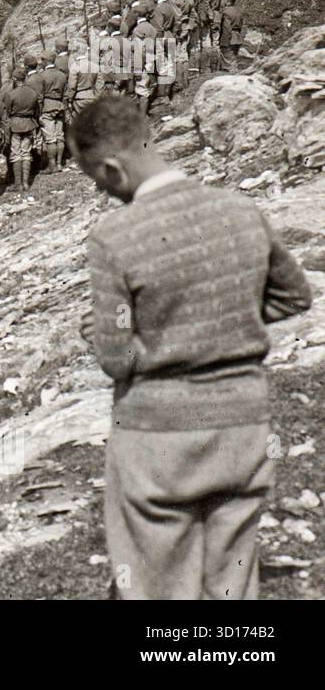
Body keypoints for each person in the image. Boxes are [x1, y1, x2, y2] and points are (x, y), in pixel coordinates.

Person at [68, 95, 312, 600]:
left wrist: (123, 334)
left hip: (159, 434)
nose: (103, 193)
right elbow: (294, 296)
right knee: (232, 583)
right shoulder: (240, 209)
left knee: (159, 588)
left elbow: (118, 360)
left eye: (98, 181)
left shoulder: (114, 235)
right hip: (244, 424)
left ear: (112, 168)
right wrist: (219, 323)